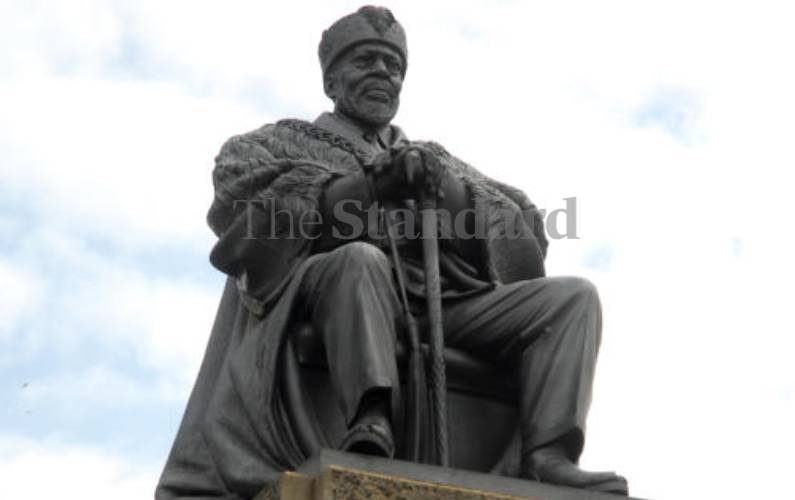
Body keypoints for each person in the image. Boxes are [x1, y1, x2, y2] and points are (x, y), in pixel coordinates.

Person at [157, 6, 628, 499]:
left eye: (393, 65)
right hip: (334, 297)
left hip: (446, 305)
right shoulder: (275, 143)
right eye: (365, 61)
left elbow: (523, 227)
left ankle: (548, 454)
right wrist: (366, 187)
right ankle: (370, 417)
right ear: (332, 80)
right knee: (361, 259)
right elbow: (244, 214)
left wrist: (446, 190)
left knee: (573, 298)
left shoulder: (438, 158)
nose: (383, 72)